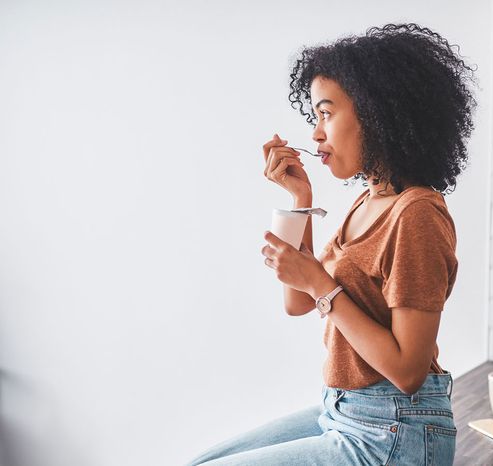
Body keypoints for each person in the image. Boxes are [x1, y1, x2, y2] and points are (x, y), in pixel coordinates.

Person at [186, 23, 476, 465]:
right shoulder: (370, 200)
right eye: (315, 116)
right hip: (343, 411)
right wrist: (300, 200)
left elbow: (407, 371)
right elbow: (298, 302)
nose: (316, 133)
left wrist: (321, 284)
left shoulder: (416, 214)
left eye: (327, 113)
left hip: (397, 429)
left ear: (379, 114)